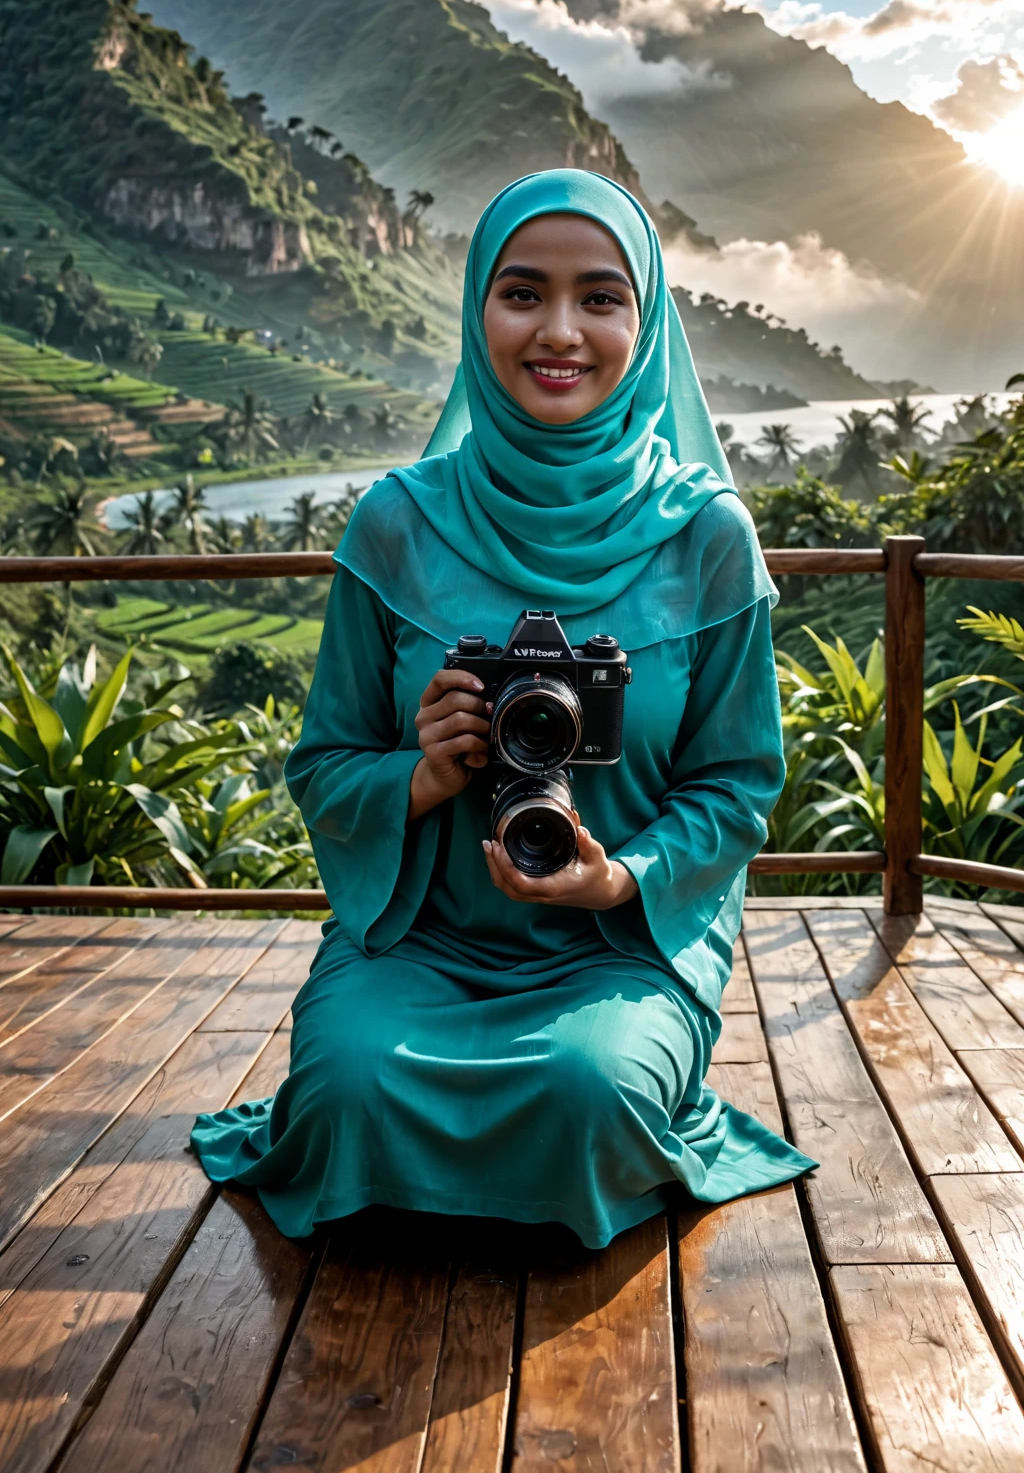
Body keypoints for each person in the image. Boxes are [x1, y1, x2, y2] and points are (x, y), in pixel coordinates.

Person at [191, 169, 817, 1248]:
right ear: (478, 309)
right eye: (523, 293)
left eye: (600, 298)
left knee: (590, 1093)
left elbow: (737, 786)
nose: (559, 332)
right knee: (344, 1094)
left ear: (646, 324)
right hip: (421, 941)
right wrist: (422, 773)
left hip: (617, 949)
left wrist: (619, 877)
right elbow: (324, 762)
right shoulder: (397, 524)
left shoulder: (705, 536)